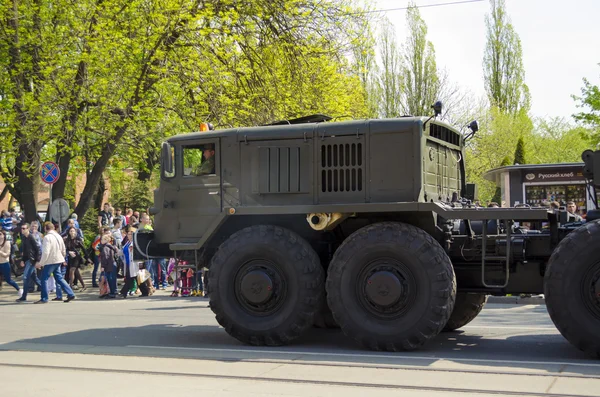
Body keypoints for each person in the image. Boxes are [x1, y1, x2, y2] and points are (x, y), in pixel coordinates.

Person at [35, 222, 76, 304]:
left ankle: (44, 298)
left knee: (44, 278)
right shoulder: (58, 236)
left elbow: (46, 252)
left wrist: (41, 263)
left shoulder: (47, 237)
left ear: (45, 228)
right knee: (59, 278)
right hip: (58, 259)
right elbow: (63, 248)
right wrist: (63, 257)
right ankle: (70, 293)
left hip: (50, 261)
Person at [16, 223, 42, 302]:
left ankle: (24, 297)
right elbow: (25, 251)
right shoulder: (24, 237)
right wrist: (23, 260)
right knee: (34, 278)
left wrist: (37, 261)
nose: (22, 230)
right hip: (27, 260)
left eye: (24, 228)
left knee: (25, 277)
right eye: (22, 228)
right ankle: (45, 289)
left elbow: (38, 249)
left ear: (28, 229)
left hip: (32, 260)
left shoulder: (31, 237)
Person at [64, 226, 90, 291]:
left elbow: (84, 249)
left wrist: (87, 258)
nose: (72, 232)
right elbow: (64, 249)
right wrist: (69, 252)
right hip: (70, 257)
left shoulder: (78, 239)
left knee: (72, 270)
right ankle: (84, 285)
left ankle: (70, 287)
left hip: (77, 257)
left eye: (73, 231)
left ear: (75, 232)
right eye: (71, 231)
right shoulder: (67, 240)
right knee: (76, 272)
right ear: (69, 232)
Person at [0, 230, 22, 298]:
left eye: (0, 234)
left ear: (4, 235)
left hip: (5, 264)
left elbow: (7, 255)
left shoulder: (7, 243)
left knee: (8, 280)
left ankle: (19, 289)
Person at [99, 234, 118, 298]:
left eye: (103, 239)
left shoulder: (105, 248)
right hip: (112, 264)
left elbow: (105, 258)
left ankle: (112, 293)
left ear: (106, 240)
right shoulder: (111, 246)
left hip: (109, 265)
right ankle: (113, 292)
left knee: (110, 279)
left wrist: (103, 266)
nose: (101, 241)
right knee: (112, 279)